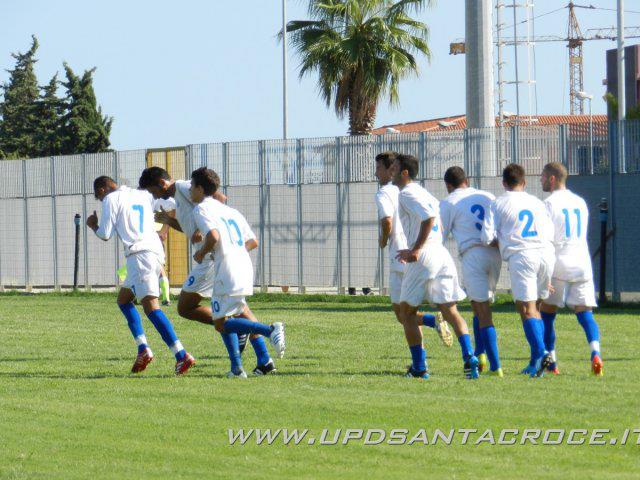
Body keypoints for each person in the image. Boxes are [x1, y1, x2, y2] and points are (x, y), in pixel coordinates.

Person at [86, 176, 195, 375]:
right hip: (154, 250)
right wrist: (165, 227)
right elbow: (170, 204)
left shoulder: (111, 199)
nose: (100, 201)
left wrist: (93, 224)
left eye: (98, 197)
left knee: (151, 307)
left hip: (139, 255)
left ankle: (181, 355)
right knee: (124, 300)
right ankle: (142, 348)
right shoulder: (141, 194)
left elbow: (105, 234)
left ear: (102, 190)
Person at [138, 166, 251, 354]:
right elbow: (188, 229)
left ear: (162, 184)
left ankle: (237, 328)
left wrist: (206, 226)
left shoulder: (183, 187)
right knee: (238, 306)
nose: (156, 197)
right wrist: (168, 220)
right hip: (210, 255)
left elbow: (219, 198)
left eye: (154, 191)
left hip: (209, 256)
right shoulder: (178, 200)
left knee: (185, 307)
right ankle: (263, 356)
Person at [190, 167, 285, 377]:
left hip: (227, 269)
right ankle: (237, 369)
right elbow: (253, 241)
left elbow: (213, 237)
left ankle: (270, 331)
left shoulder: (201, 209)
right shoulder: (230, 210)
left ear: (199, 188)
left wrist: (201, 253)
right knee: (228, 316)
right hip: (243, 265)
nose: (189, 191)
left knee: (220, 322)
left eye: (191, 186)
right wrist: (235, 251)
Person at [392, 154, 479, 380]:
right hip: (441, 254)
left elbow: (429, 218)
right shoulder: (424, 192)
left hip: (426, 254)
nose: (390, 171)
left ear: (404, 172)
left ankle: (419, 368)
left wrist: (415, 249)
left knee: (406, 313)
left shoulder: (408, 192)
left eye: (394, 168)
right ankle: (470, 358)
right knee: (450, 310)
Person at [481, 163, 555, 377]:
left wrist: (503, 241)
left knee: (526, 309)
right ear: (524, 182)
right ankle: (535, 363)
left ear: (504, 183)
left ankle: (541, 354)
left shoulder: (498, 203)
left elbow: (486, 237)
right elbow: (549, 231)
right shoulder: (538, 202)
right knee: (536, 309)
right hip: (546, 253)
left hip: (523, 256)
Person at [374, 151, 453, 347]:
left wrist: (383, 239)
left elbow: (387, 221)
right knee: (408, 311)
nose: (376, 174)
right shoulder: (410, 189)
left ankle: (430, 327)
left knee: (403, 314)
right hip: (422, 253)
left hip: (401, 255)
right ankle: (421, 356)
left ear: (392, 169)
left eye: (379, 169)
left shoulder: (385, 192)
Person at [539, 162, 603, 376]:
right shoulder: (580, 202)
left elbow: (547, 240)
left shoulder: (548, 203)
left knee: (547, 313)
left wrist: (545, 273)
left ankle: (552, 363)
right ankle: (596, 352)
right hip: (582, 262)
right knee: (585, 312)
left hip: (559, 262)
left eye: (542, 176)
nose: (540, 179)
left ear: (552, 179)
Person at [440, 166, 503, 376]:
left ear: (448, 185)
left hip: (473, 253)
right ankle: (481, 352)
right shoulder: (486, 195)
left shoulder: (449, 202)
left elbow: (440, 233)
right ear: (467, 180)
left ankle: (495, 366)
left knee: (481, 309)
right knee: (480, 304)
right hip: (495, 251)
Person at [152, 197, 176, 306]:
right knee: (157, 266)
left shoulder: (158, 200)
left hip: (152, 237)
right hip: (152, 237)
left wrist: (163, 230)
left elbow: (172, 211)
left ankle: (166, 298)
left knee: (159, 266)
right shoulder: (154, 199)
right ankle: (165, 298)